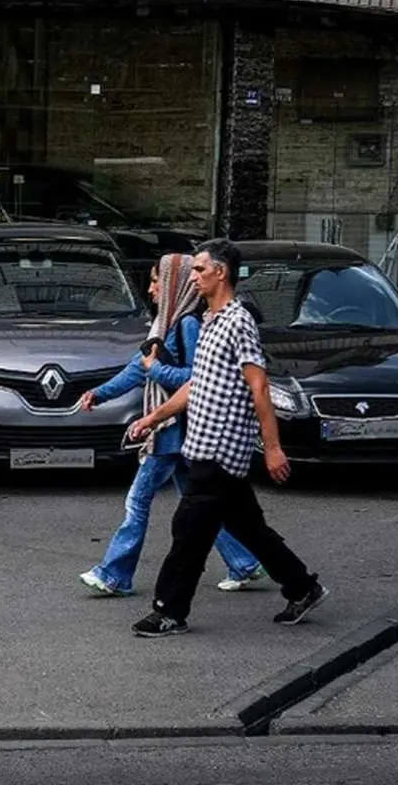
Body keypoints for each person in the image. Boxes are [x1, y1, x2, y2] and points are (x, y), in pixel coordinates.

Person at [127, 239, 329, 638]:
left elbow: (259, 387)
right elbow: (196, 386)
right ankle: (304, 587)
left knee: (189, 530)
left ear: (221, 272)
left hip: (221, 450)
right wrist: (153, 417)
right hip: (205, 446)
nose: (195, 277)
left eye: (200, 270)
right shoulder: (209, 321)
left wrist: (272, 449)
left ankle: (169, 611)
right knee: (250, 528)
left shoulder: (238, 321)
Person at [78, 253, 265, 597]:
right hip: (178, 436)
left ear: (171, 284)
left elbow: (197, 378)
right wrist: (98, 394)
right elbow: (137, 369)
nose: (150, 289)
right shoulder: (164, 324)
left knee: (137, 502)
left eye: (155, 281)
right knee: (203, 504)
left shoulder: (188, 325)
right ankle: (244, 562)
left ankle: (115, 574)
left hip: (174, 432)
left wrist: (156, 372)